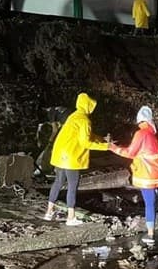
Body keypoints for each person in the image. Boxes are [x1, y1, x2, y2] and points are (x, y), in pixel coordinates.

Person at [109, 106, 158, 244]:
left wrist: (112, 147)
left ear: (139, 121)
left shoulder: (141, 134)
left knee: (150, 203)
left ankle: (151, 234)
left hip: (147, 176)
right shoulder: (155, 134)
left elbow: (130, 153)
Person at [42, 93, 109, 225]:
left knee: (58, 182)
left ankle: (48, 213)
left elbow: (88, 135)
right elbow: (86, 143)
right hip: (71, 157)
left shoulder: (74, 116)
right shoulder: (85, 120)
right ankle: (71, 217)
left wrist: (101, 139)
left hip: (59, 155)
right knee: (72, 186)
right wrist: (107, 146)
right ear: (88, 106)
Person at [35, 106, 70, 175]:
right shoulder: (58, 109)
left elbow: (55, 129)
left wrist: (50, 140)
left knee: (52, 148)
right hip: (74, 124)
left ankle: (47, 167)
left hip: (68, 127)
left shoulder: (51, 113)